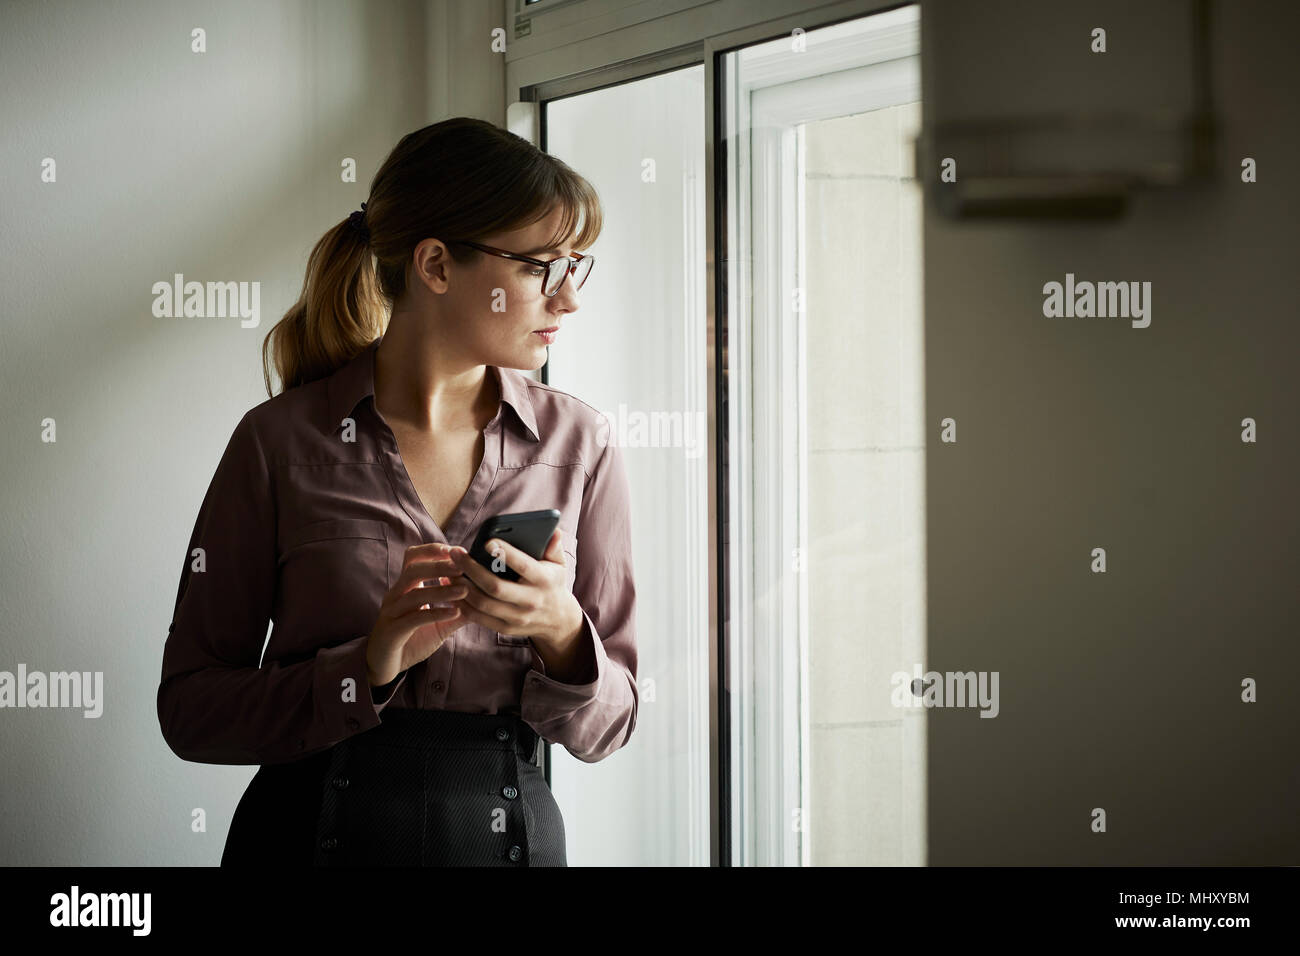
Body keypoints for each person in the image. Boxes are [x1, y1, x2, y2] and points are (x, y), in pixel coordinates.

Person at [156, 117, 639, 867]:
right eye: (542, 266)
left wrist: (562, 632)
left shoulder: (581, 445)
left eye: (577, 265)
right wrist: (367, 666)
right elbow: (190, 712)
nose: (568, 299)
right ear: (437, 265)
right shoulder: (278, 443)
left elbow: (611, 727)